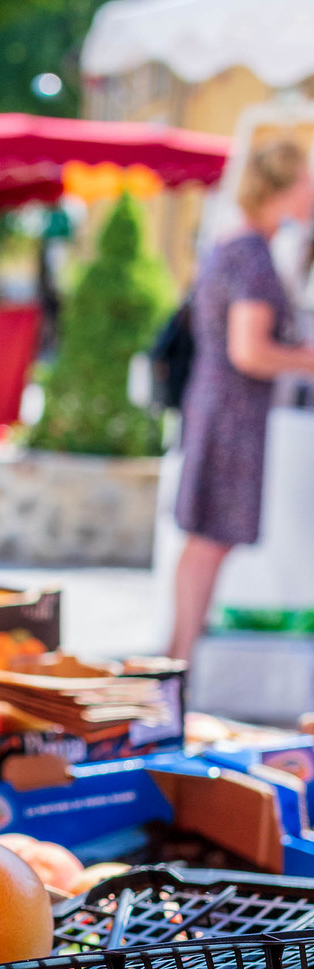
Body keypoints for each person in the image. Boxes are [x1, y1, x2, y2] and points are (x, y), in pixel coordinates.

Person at [170, 138, 314, 662]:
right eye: (307, 181)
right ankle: (179, 662)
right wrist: (307, 359)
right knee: (210, 541)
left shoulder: (236, 243)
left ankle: (178, 660)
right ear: (283, 188)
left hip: (218, 406)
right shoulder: (252, 253)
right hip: (232, 413)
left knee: (206, 540)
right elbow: (248, 350)